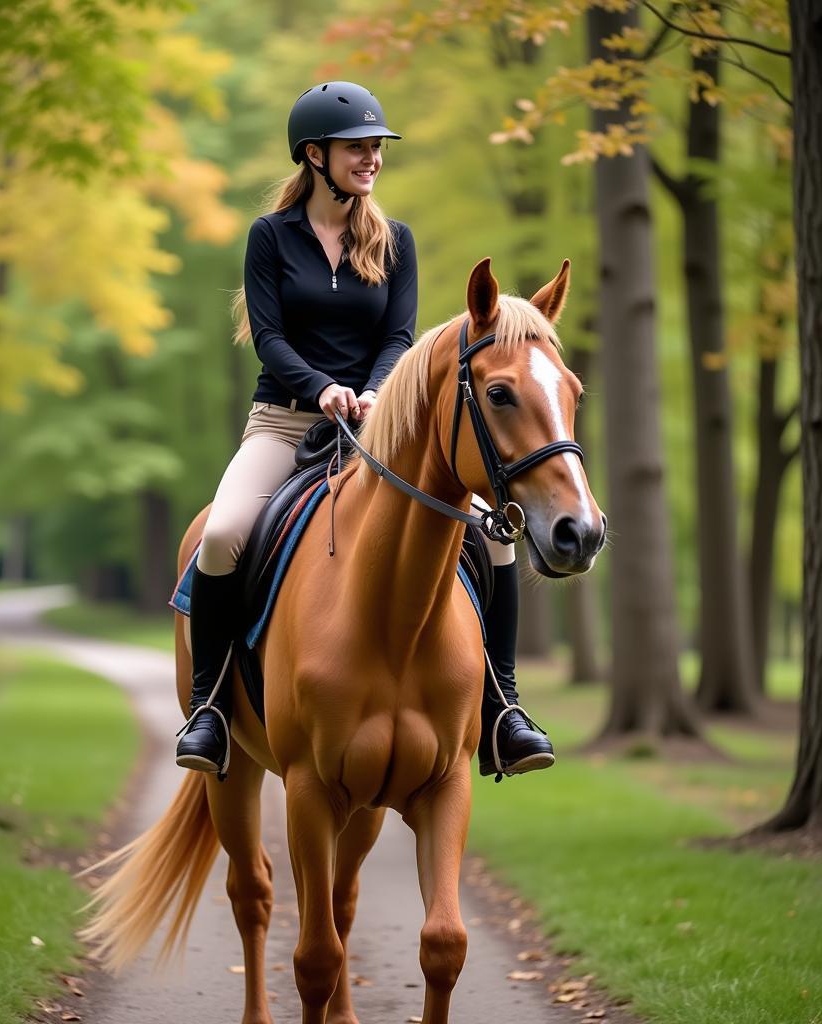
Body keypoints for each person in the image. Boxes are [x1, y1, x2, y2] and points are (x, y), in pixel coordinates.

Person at [175, 81, 554, 782]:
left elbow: (399, 335)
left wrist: (378, 391)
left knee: (494, 541)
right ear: (314, 156)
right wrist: (321, 389)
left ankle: (504, 710)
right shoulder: (271, 238)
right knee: (224, 533)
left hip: (380, 426)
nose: (372, 159)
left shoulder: (395, 241)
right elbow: (269, 337)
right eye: (358, 148)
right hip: (286, 422)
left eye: (377, 148)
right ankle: (209, 709)